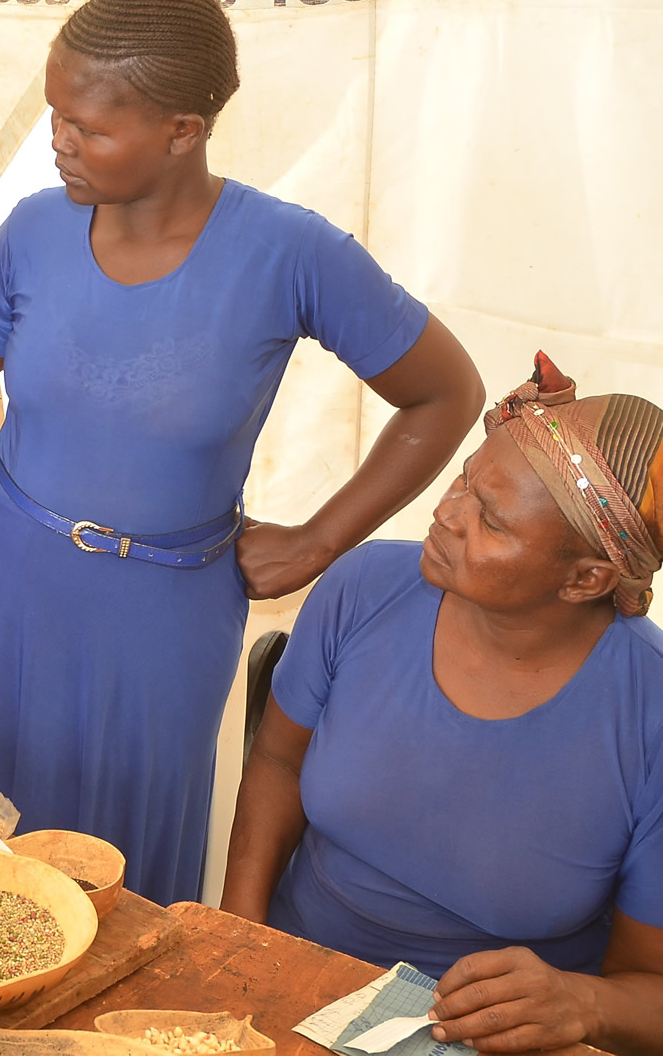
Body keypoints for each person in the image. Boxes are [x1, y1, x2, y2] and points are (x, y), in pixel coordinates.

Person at [0, 0, 484, 902]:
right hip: (7, 581)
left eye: (88, 127)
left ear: (183, 130)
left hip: (160, 614)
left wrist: (318, 541)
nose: (58, 140)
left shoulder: (290, 253)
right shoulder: (38, 226)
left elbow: (446, 393)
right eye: (56, 114)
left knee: (121, 861)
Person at [223, 354, 663, 1055]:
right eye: (465, 479)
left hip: (486, 1036)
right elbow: (277, 761)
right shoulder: (364, 588)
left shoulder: (647, 715)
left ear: (585, 579)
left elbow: (649, 990)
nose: (446, 513)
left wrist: (583, 1003)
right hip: (295, 980)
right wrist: (242, 938)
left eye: (492, 521)